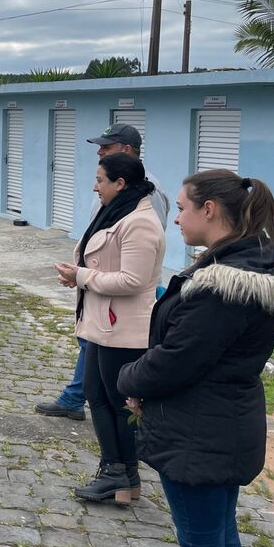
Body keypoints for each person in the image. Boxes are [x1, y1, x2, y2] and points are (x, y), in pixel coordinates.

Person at [118, 171, 274, 547]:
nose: (175, 219)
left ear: (208, 210)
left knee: (201, 544)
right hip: (222, 421)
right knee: (218, 535)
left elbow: (177, 359)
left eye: (181, 208)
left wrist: (127, 378)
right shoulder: (252, 262)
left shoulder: (221, 289)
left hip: (200, 432)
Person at [36, 123, 170, 421]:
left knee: (112, 381)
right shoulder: (113, 184)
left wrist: (85, 276)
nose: (99, 151)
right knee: (91, 349)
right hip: (100, 289)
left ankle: (105, 421)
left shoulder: (146, 192)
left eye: (106, 147)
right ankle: (78, 400)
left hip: (122, 299)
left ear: (126, 151)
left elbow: (141, 250)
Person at [52, 154, 164, 503]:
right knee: (97, 395)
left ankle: (120, 472)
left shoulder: (141, 222)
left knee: (117, 403)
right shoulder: (118, 212)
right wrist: (80, 278)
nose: (94, 185)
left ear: (120, 183)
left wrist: (83, 276)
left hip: (124, 328)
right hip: (101, 322)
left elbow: (134, 279)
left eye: (100, 179)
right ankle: (119, 473)